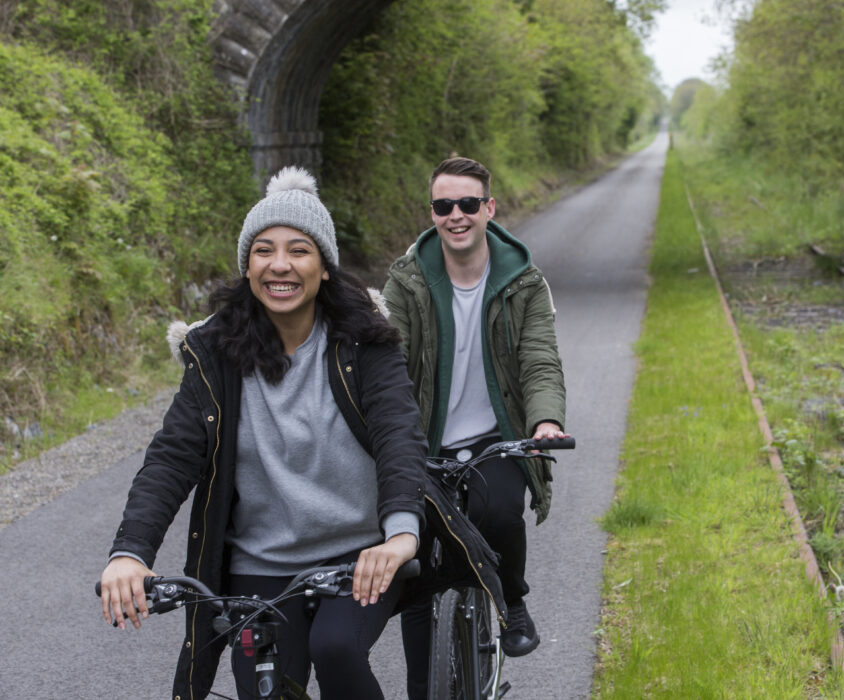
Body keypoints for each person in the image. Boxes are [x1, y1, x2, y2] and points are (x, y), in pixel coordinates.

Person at [98, 166, 429, 700]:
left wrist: (400, 535)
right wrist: (129, 553)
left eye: (299, 250)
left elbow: (398, 435)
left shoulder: (365, 345)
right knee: (264, 688)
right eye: (263, 251)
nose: (280, 265)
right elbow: (171, 457)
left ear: (324, 269)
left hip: (360, 555)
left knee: (338, 648)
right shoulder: (214, 354)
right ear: (247, 267)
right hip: (260, 565)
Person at [383, 156, 567, 698]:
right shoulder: (408, 280)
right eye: (444, 206)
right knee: (416, 563)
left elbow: (539, 360)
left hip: (496, 437)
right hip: (423, 441)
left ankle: (510, 600)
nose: (456, 215)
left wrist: (546, 420)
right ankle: (428, 686)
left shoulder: (524, 283)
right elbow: (389, 359)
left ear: (489, 208)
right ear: (433, 212)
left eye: (468, 204)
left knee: (499, 512)